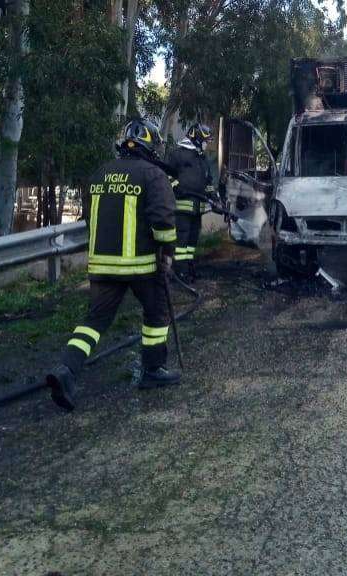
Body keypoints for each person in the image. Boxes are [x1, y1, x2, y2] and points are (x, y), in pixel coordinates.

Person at [45, 119, 180, 411]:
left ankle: (66, 369)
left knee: (95, 321)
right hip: (142, 266)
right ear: (149, 145)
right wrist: (168, 253)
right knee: (156, 313)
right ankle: (153, 370)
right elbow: (163, 222)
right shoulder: (153, 175)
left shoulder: (100, 174)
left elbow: (90, 218)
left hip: (103, 266)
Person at [165, 123, 215, 282]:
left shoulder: (202, 158)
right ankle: (179, 271)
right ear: (197, 138)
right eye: (205, 140)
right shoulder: (178, 154)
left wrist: (214, 196)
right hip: (182, 207)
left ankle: (189, 267)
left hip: (198, 207)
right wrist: (176, 187)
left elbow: (208, 181)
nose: (207, 144)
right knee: (182, 241)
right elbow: (166, 174)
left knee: (192, 241)